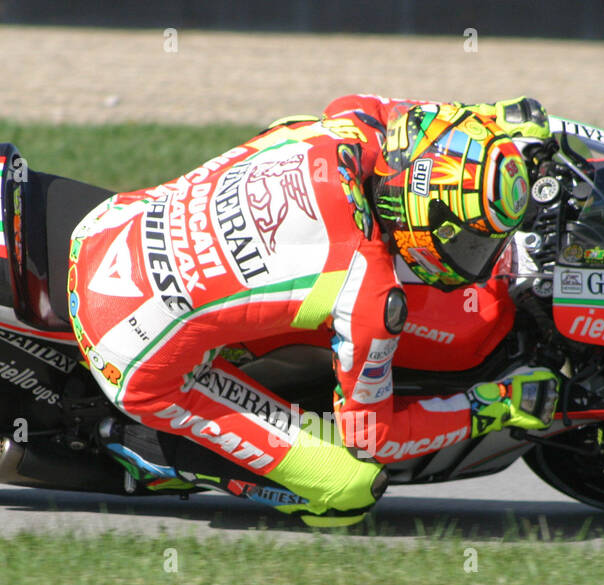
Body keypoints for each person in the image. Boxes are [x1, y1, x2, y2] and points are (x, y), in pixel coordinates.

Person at [67, 94, 560, 526]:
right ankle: (153, 451)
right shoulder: (367, 292)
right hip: (130, 356)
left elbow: (407, 117)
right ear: (419, 222)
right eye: (473, 244)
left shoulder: (351, 129)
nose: (483, 259)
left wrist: (491, 119)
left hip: (108, 226)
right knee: (348, 487)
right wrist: (494, 406)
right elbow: (374, 438)